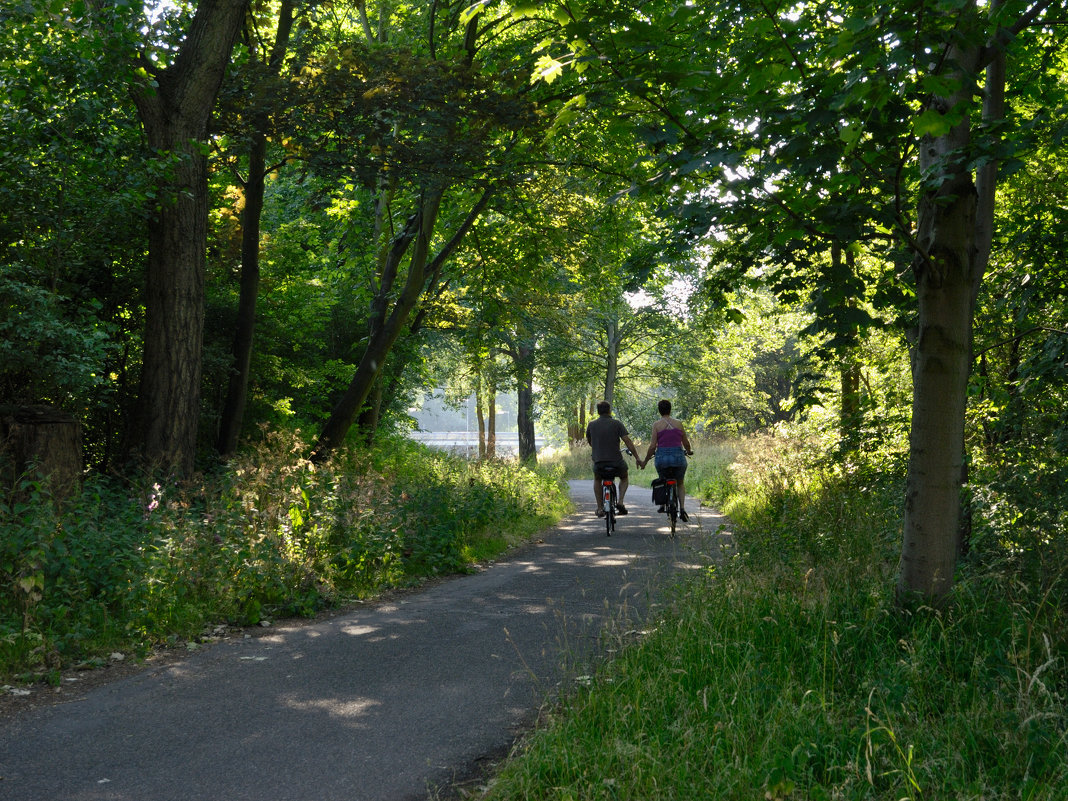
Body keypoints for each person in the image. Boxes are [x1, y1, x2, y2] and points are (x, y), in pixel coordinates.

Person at [639, 399, 693, 521]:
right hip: (678, 457)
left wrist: (645, 461)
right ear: (670, 409)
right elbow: (686, 442)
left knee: (663, 479)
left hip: (662, 458)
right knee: (680, 483)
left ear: (659, 411)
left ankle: (663, 505)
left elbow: (653, 446)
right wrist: (689, 451)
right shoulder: (679, 423)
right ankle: (683, 509)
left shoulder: (656, 425)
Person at [585, 401, 641, 516]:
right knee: (624, 477)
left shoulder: (591, 425)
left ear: (598, 411)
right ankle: (620, 502)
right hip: (616, 463)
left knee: (597, 479)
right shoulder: (617, 424)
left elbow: (590, 442)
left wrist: (597, 449)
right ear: (609, 410)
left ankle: (600, 508)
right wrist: (637, 457)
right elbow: (628, 441)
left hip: (599, 462)